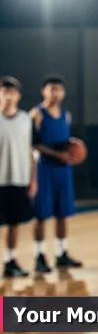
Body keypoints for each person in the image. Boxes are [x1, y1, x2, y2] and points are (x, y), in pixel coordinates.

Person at [29, 74, 82, 272]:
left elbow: (67, 143)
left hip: (63, 169)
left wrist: (71, 153)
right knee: (41, 215)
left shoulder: (65, 115)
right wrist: (57, 154)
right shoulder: (37, 113)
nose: (55, 93)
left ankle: (62, 254)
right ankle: (39, 256)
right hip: (44, 168)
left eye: (58, 89)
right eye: (51, 89)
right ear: (44, 91)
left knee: (63, 213)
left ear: (63, 93)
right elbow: (32, 144)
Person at [0, 76, 37, 277]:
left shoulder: (26, 121)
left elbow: (32, 152)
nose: (8, 95)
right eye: (4, 91)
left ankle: (9, 261)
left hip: (18, 178)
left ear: (18, 96)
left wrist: (33, 179)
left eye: (12, 92)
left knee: (14, 224)